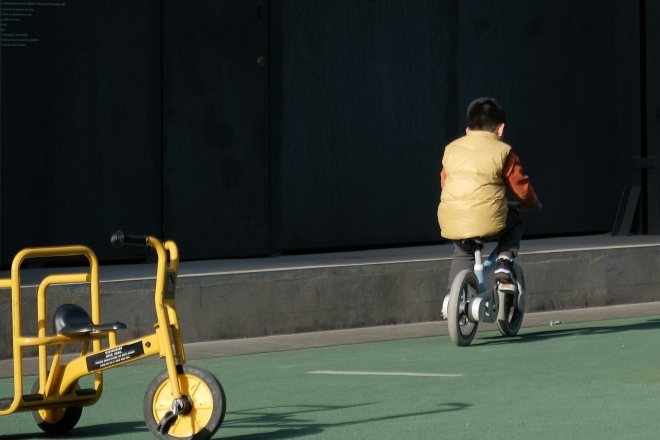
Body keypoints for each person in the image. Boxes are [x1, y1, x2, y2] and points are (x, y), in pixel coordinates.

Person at [437, 97, 539, 291]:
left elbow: (445, 182)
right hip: (488, 219)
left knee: (463, 250)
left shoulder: (451, 150)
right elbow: (521, 188)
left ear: (468, 131)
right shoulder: (503, 152)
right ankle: (504, 262)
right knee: (515, 221)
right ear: (500, 129)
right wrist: (531, 203)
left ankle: (453, 296)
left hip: (452, 218)